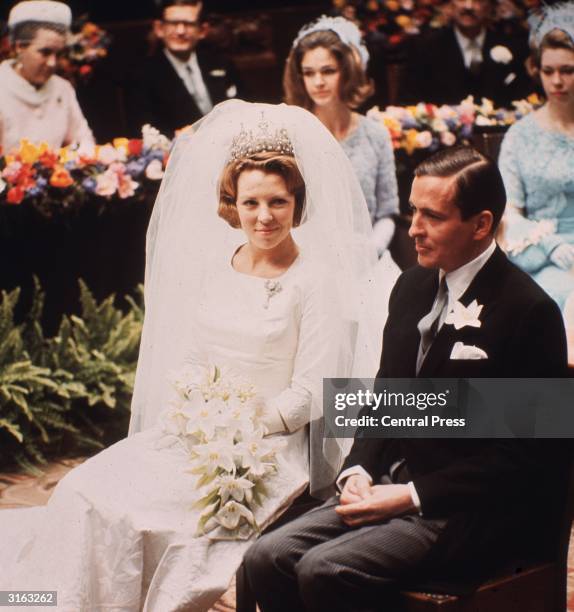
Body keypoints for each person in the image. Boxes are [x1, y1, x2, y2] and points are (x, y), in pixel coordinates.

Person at [0, 101, 380, 611]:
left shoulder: (315, 281)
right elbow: (193, 357)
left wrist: (241, 427)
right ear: (232, 203)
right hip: (198, 428)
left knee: (138, 518)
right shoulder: (218, 266)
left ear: (298, 202)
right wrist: (196, 412)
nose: (263, 217)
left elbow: (311, 393)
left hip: (267, 447)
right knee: (81, 490)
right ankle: (49, 600)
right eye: (250, 204)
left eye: (277, 202)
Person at [244, 146, 569, 612]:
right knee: (266, 556)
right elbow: (386, 395)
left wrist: (411, 496)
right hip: (389, 487)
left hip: (468, 514)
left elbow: (529, 456)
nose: (412, 228)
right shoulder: (412, 285)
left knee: (325, 569)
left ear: (480, 224)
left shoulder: (528, 311)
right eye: (413, 210)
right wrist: (357, 468)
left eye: (432, 216)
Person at [284, 16, 399, 258]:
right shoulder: (291, 135)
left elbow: (387, 212)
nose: (318, 82)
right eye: (309, 73)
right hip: (307, 259)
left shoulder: (376, 134)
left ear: (347, 72)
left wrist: (371, 250)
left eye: (328, 71)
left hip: (367, 257)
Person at [499, 4, 574, 317]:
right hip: (544, 256)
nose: (557, 81)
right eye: (548, 71)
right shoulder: (520, 135)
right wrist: (550, 245)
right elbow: (508, 213)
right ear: (537, 71)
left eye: (568, 70)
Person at [124, 0, 242, 138]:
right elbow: (144, 131)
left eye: (189, 24)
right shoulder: (142, 75)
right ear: (159, 29)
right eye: (173, 23)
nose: (180, 31)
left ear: (202, 30)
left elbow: (247, 107)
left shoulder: (221, 63)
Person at [0, 0, 94, 153]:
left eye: (59, 54)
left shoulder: (62, 89)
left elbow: (83, 141)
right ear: (19, 47)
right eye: (45, 52)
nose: (52, 63)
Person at [401, 0, 533, 107]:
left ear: (490, 6)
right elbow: (409, 103)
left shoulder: (513, 48)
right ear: (450, 5)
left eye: (477, 0)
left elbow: (523, 100)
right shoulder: (425, 48)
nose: (468, 6)